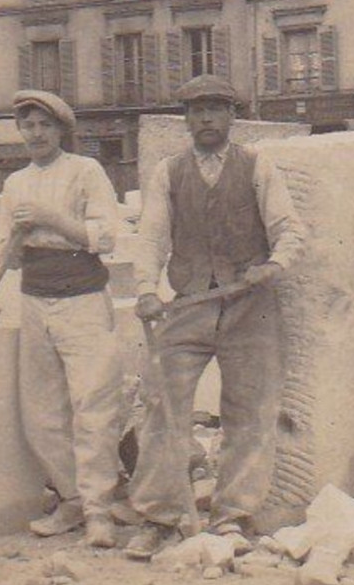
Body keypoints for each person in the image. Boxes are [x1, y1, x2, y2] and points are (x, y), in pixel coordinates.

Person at [127, 75, 306, 559]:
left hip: (250, 308)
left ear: (232, 117)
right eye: (196, 111)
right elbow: (151, 238)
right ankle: (158, 517)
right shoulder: (170, 171)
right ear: (186, 120)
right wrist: (146, 289)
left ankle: (232, 517)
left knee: (250, 414)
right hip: (188, 305)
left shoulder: (257, 167)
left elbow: (289, 229)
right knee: (163, 406)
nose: (205, 119)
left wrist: (273, 265)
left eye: (215, 109)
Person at [0, 89, 124, 547]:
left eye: (44, 125)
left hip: (83, 296)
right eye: (27, 126)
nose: (36, 134)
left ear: (60, 130)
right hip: (35, 297)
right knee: (42, 413)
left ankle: (99, 509)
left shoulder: (85, 171)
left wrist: (52, 217)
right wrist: (15, 235)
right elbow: (6, 260)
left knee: (92, 405)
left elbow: (107, 237)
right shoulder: (13, 184)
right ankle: (70, 499)